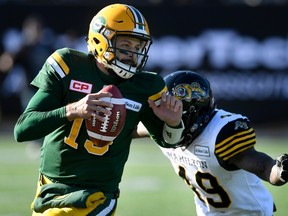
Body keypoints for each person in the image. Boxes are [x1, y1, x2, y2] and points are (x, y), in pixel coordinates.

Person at [13, 4, 184, 215]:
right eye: (126, 45)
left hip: (98, 196)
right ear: (100, 40)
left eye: (138, 47)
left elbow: (169, 140)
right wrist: (71, 110)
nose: (132, 54)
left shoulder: (147, 86)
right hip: (49, 188)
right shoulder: (68, 65)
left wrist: (173, 122)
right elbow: (22, 130)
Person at [136, 70, 288, 215]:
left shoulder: (221, 133)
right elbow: (128, 130)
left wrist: (279, 172)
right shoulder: (161, 127)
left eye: (174, 116)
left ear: (196, 112)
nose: (167, 121)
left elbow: (263, 167)